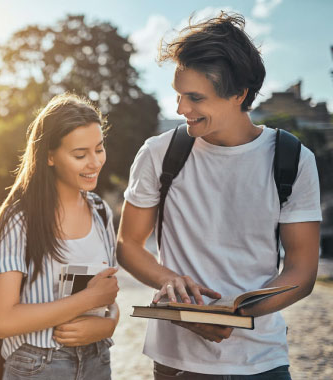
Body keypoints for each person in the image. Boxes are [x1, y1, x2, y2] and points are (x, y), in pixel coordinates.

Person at [117, 13, 321, 380]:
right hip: (177, 363)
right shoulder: (159, 153)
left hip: (263, 363)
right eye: (179, 95)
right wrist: (169, 281)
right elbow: (128, 244)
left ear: (239, 94)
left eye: (195, 98)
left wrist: (240, 312)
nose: (181, 109)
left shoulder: (292, 160)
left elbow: (302, 272)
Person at [0, 93, 119, 380]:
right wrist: (86, 301)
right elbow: (3, 320)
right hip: (38, 365)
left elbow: (107, 298)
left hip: (97, 360)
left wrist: (108, 325)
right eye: (80, 155)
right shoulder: (20, 220)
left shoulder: (101, 212)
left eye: (99, 149)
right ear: (49, 155)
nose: (94, 163)